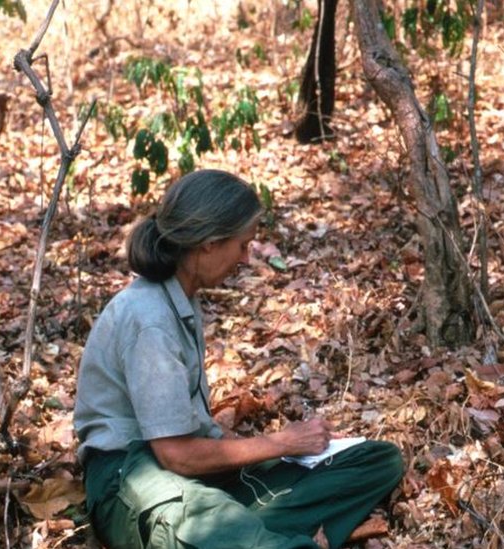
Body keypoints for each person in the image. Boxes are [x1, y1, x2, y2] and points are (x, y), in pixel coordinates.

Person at [74, 169, 404, 549]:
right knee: (231, 528)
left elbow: (189, 439)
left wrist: (307, 447)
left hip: (182, 468)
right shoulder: (150, 319)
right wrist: (282, 443)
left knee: (377, 461)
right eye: (242, 245)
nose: (246, 259)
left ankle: (238, 530)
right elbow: (177, 456)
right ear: (210, 243)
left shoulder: (183, 296)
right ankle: (244, 534)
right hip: (129, 476)